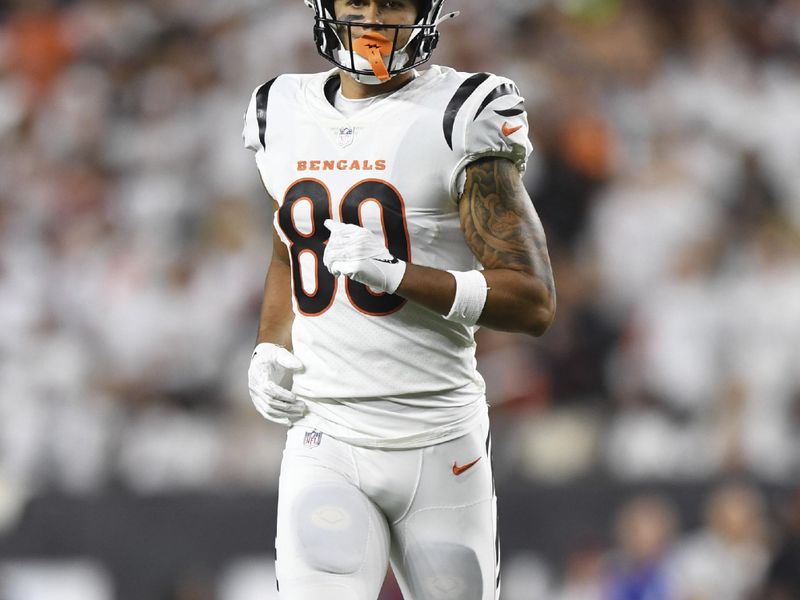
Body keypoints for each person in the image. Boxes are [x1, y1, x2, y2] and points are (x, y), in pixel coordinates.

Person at [243, 0, 556, 598]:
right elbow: (290, 244)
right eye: (356, 3)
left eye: (392, 5)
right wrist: (268, 344)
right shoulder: (278, 108)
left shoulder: (460, 113)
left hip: (438, 440)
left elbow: (533, 300)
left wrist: (398, 275)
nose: (373, 20)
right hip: (325, 432)